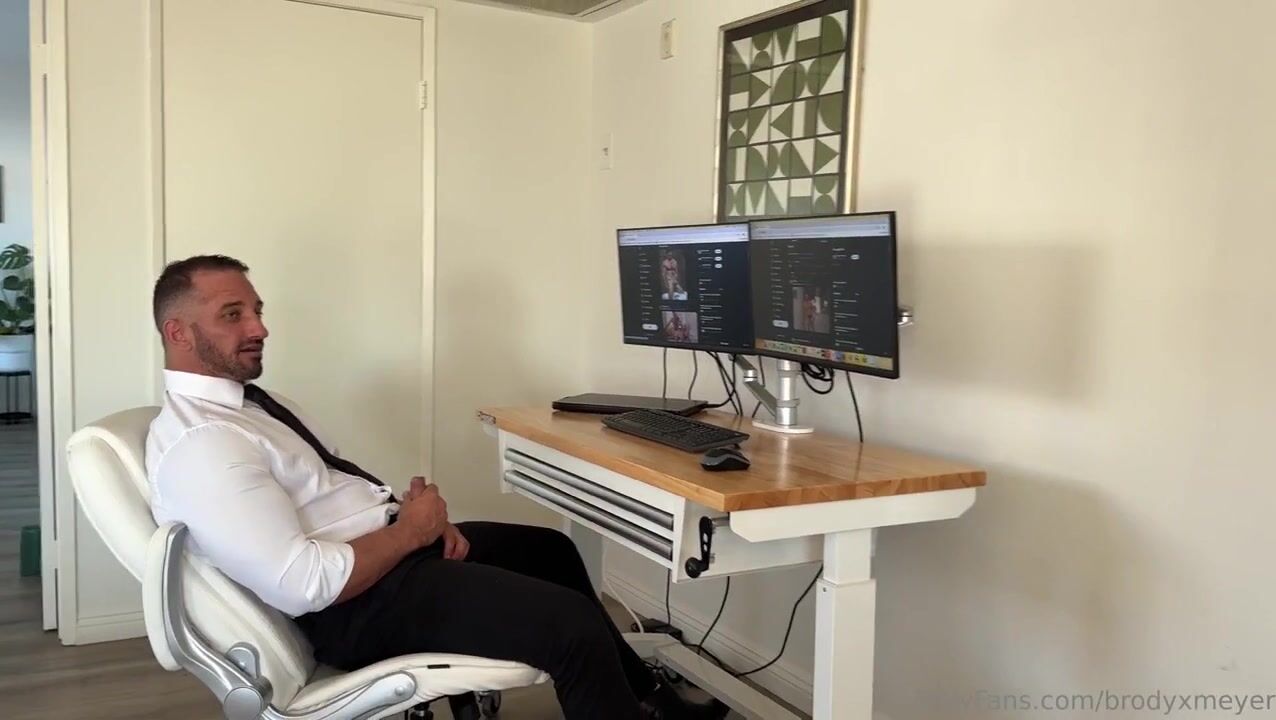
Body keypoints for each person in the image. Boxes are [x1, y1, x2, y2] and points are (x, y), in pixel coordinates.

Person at [143, 255, 724, 720]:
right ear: (178, 331)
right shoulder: (203, 445)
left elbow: (328, 494)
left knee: (551, 551)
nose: (259, 328)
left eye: (257, 310)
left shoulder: (252, 407)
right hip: (354, 606)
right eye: (233, 315)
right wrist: (411, 532)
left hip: (385, 556)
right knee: (568, 626)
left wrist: (409, 516)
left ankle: (650, 702)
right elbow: (303, 585)